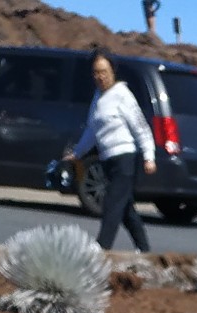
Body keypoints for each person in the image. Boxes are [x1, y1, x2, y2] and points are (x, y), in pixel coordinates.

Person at [64, 52, 156, 253]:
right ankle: (145, 250)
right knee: (126, 210)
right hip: (108, 161)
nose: (100, 76)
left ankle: (101, 248)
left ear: (112, 71)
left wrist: (149, 156)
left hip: (125, 158)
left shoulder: (122, 95)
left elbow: (140, 126)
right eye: (96, 72)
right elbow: (92, 131)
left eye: (104, 72)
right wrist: (78, 153)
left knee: (112, 203)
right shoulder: (98, 98)